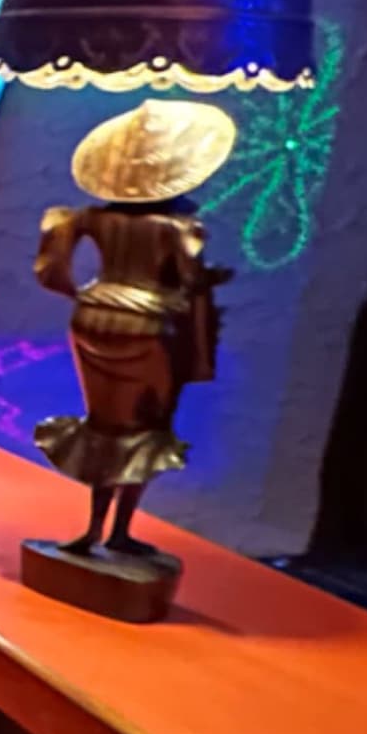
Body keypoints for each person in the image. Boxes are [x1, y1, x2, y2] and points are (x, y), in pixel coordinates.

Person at [31, 100, 237, 557]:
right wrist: (211, 281)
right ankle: (118, 531)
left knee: (104, 426)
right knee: (146, 430)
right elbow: (191, 279)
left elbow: (50, 269)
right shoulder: (177, 227)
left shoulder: (89, 218)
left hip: (92, 316)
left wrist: (80, 293)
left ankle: (93, 529)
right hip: (149, 324)